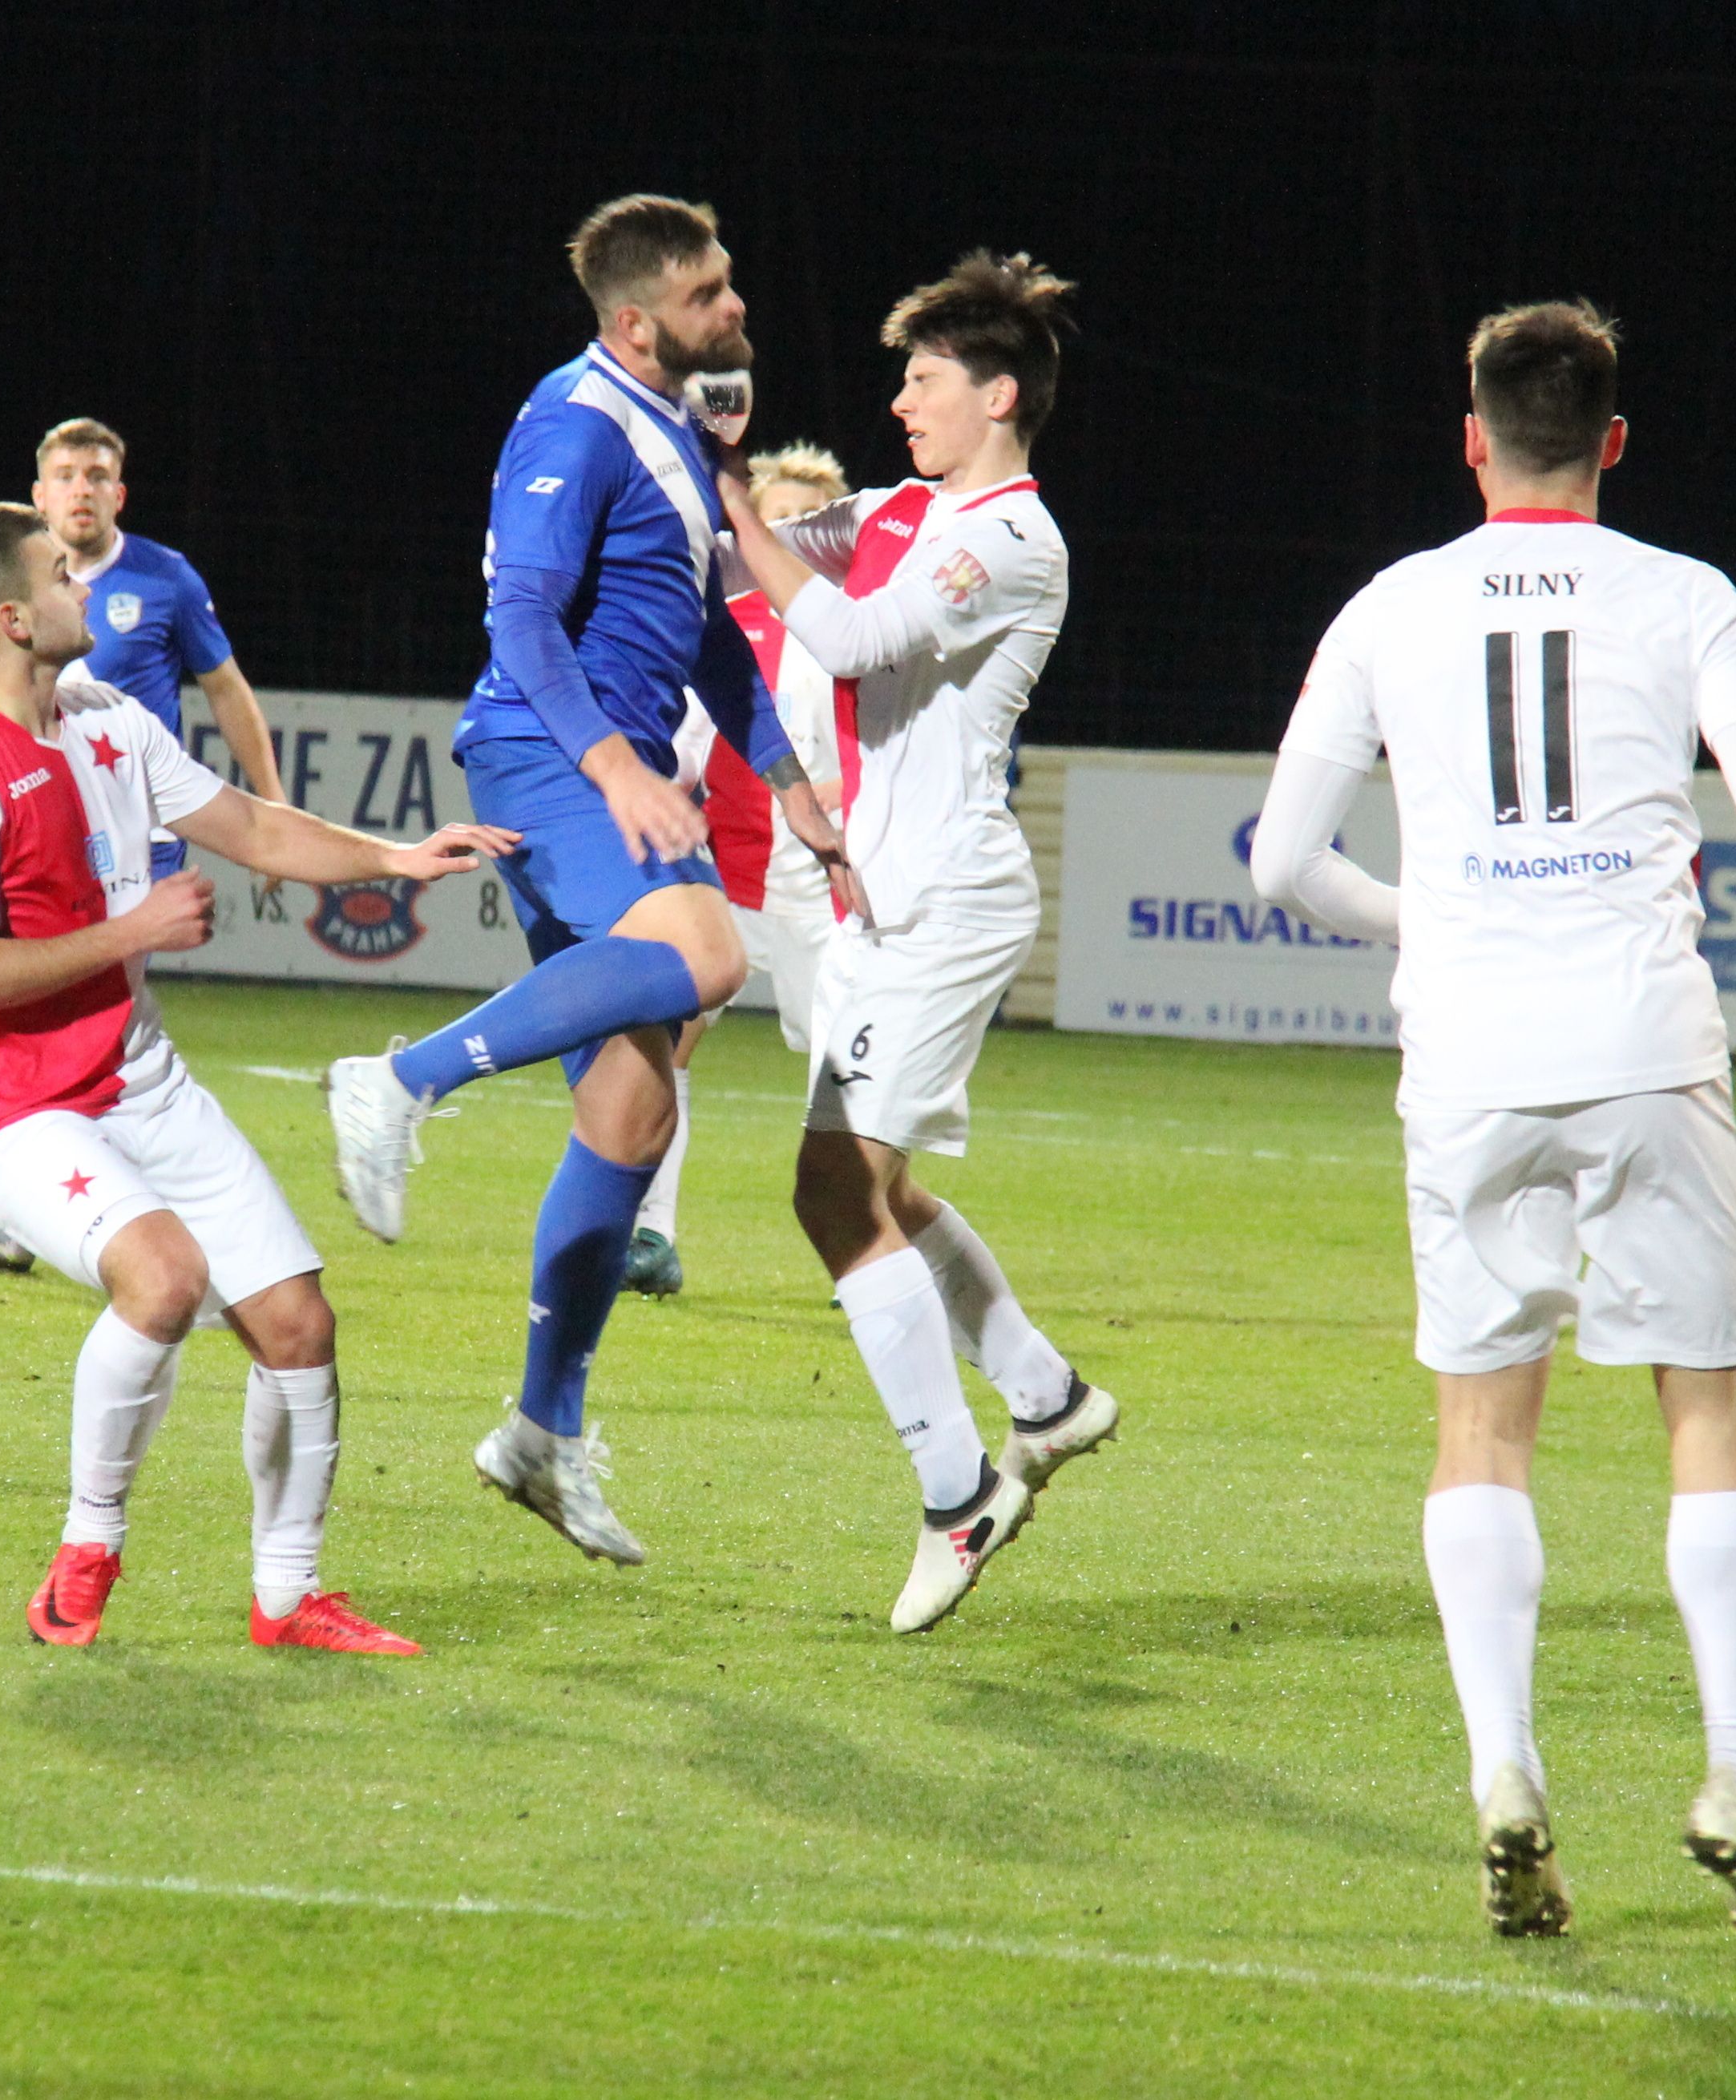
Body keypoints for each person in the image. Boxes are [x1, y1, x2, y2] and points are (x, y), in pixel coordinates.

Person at [1248, 300, 1736, 1947]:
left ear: (1471, 439)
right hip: (1643, 1044)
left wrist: (1431, 919)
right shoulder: (1687, 597)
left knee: (1481, 1429)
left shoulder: (1390, 604)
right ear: (1611, 438)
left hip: (1467, 1056)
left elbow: (1282, 860)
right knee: (1711, 1410)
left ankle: (1504, 1774)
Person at [0, 500, 512, 1654]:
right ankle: (87, 1546)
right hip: (22, 1111)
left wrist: (398, 859)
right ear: (15, 619)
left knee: (299, 1326)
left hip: (145, 1083)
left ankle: (288, 1599)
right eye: (61, 575)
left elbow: (254, 830)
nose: (85, 585)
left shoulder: (109, 719)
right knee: (164, 1279)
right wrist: (134, 930)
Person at [321, 195, 847, 1565]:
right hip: (547, 750)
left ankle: (539, 1437)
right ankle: (396, 1079)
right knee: (711, 957)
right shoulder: (575, 420)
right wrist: (614, 768)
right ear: (634, 320)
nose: (733, 307)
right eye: (706, 293)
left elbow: (709, 636)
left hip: (607, 763)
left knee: (633, 1107)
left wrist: (787, 776)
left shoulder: (671, 428)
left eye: (728, 282)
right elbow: (519, 617)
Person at [718, 253, 1115, 1636]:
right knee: (880, 1190)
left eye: (925, 379)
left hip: (945, 904)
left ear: (997, 396)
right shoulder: (897, 509)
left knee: (833, 1193)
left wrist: (738, 506)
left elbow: (844, 634)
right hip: (880, 907)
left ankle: (958, 1497)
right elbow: (749, 564)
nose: (899, 402)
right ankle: (1047, 1397)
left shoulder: (1008, 540)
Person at [0, 416, 290, 1276]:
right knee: (63, 1001)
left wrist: (270, 801)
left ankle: (68, 1197)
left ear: (120, 493)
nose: (82, 489)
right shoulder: (14, 584)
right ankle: (65, 1185)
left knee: (92, 1006)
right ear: (38, 494)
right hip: (37, 824)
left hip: (130, 834)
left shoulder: (165, 579)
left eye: (98, 475)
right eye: (67, 474)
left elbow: (226, 689)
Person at [622, 444, 854, 1298]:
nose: (782, 534)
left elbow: (891, 748)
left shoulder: (854, 630)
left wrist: (844, 795)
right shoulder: (723, 625)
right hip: (726, 877)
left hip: (823, 892)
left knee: (848, 1069)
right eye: (770, 518)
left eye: (803, 520)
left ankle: (866, 1241)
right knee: (667, 1039)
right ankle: (652, 1234)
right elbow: (686, 745)